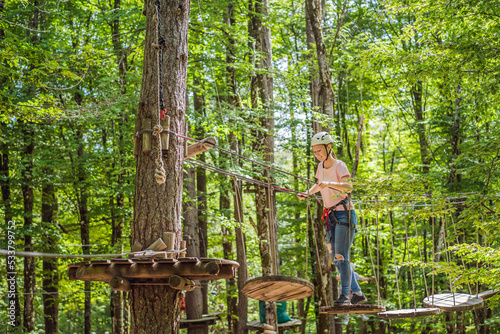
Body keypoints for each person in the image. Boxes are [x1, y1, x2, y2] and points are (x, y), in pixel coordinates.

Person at [298, 131, 367, 305]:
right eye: (314, 152)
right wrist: (307, 193)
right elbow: (318, 184)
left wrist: (329, 183)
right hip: (330, 216)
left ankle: (346, 296)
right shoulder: (320, 167)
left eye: (319, 151)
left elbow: (348, 187)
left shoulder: (340, 166)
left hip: (344, 214)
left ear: (329, 147)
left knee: (341, 256)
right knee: (336, 259)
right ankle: (357, 292)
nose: (317, 155)